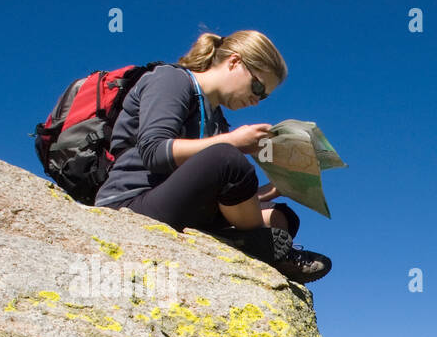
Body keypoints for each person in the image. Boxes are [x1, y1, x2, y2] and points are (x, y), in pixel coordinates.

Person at [94, 30, 331, 284]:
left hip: (180, 205)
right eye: (257, 86)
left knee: (281, 216)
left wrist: (275, 190)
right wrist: (233, 142)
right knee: (227, 160)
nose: (256, 100)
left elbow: (221, 192)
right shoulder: (171, 80)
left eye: (263, 96)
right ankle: (263, 248)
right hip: (132, 203)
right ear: (234, 62)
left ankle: (252, 242)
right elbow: (154, 152)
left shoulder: (217, 119)